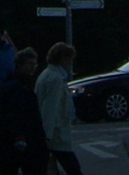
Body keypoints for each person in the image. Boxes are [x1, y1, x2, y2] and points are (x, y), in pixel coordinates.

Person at [0, 47, 46, 175]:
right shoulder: (19, 87)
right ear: (20, 65)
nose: (32, 67)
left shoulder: (14, 84)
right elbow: (16, 113)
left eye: (34, 64)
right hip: (20, 139)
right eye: (29, 64)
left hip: (12, 139)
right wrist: (20, 135)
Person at [35, 42, 82, 175]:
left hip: (53, 134)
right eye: (69, 59)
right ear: (62, 59)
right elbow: (50, 109)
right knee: (73, 169)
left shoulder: (47, 75)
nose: (70, 63)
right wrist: (47, 135)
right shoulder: (55, 79)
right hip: (57, 135)